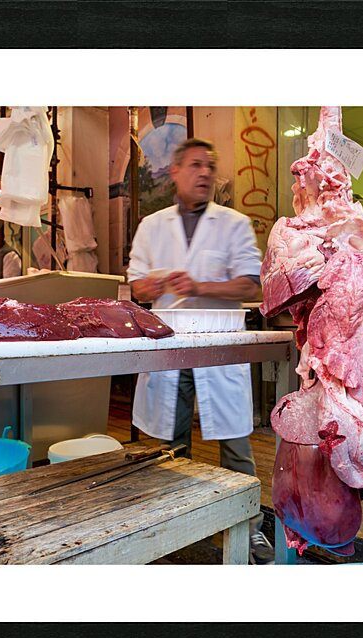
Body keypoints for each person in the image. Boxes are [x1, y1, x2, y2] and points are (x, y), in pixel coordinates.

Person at [127, 138, 274, 565]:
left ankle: (247, 529)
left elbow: (251, 284)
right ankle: (180, 524)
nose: (205, 173)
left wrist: (200, 286)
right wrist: (146, 287)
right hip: (169, 343)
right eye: (195, 165)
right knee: (171, 443)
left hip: (218, 344)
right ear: (175, 172)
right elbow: (135, 283)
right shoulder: (152, 226)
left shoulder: (234, 223)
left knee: (234, 444)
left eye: (210, 165)